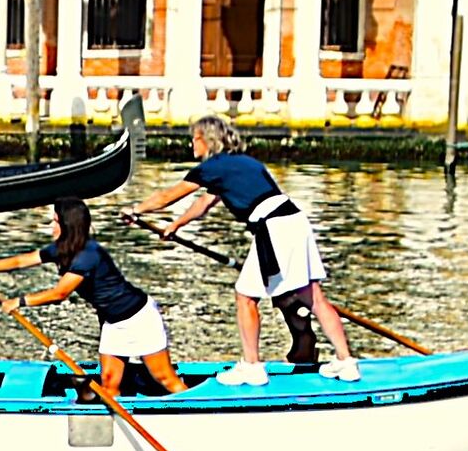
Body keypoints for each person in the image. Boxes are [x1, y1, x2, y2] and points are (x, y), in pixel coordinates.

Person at [127, 115, 360, 386]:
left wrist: (135, 209)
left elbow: (168, 196)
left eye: (195, 138)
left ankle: (251, 366)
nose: (191, 143)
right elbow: (204, 203)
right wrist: (176, 225)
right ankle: (346, 361)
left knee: (245, 297)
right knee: (314, 298)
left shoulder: (213, 167)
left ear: (207, 140)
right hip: (295, 222)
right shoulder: (245, 163)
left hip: (273, 229)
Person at [0, 198, 185, 396]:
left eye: (55, 222)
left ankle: (196, 409)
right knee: (109, 384)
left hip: (138, 318)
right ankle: (111, 425)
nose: (51, 227)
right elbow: (22, 261)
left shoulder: (88, 255)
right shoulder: (63, 248)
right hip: (113, 322)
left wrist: (20, 301)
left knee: (164, 378)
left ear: (67, 224)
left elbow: (60, 294)